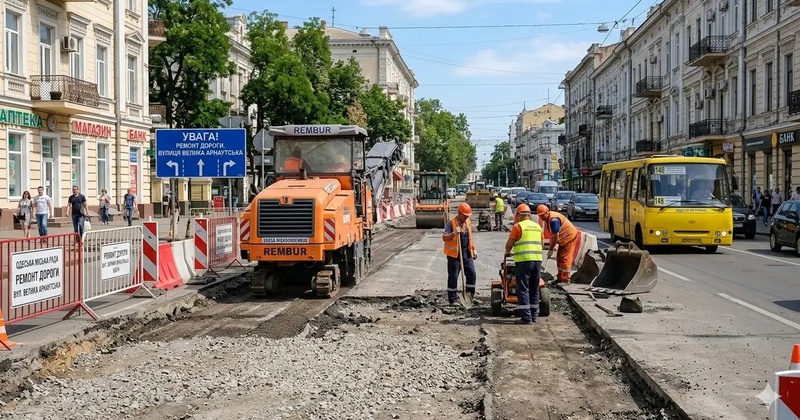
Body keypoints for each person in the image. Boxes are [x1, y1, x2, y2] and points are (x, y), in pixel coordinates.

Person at [504, 204, 543, 324]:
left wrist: (507, 253)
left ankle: (526, 318)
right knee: (534, 288)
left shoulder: (518, 227)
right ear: (529, 215)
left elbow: (509, 244)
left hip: (523, 261)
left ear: (518, 215)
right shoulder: (537, 227)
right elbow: (541, 243)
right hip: (537, 260)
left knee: (523, 288)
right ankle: (534, 316)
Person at [442, 203, 477, 305]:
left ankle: (470, 296)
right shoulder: (451, 223)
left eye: (467, 215)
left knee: (472, 274)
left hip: (467, 253)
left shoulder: (468, 222)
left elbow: (470, 238)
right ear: (459, 213)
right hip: (454, 255)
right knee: (453, 277)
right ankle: (452, 299)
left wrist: (474, 250)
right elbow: (444, 238)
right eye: (465, 215)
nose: (466, 217)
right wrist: (454, 233)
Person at [537, 204, 579, 284]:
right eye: (540, 216)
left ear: (547, 212)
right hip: (563, 239)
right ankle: (560, 277)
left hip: (569, 237)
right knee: (559, 257)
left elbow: (555, 236)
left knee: (565, 258)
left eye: (542, 215)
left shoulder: (554, 220)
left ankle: (565, 279)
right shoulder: (548, 219)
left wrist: (551, 249)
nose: (541, 217)